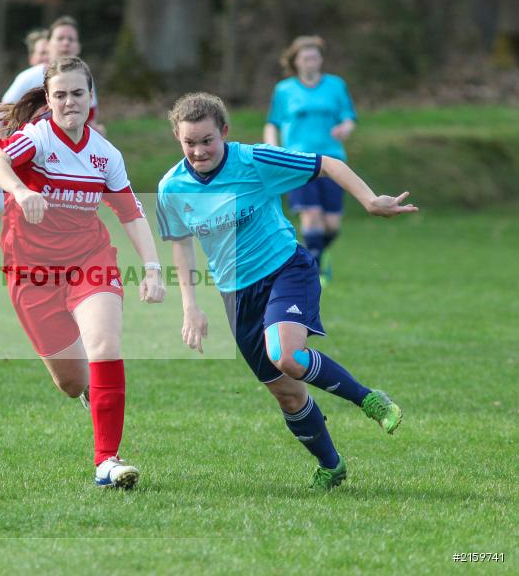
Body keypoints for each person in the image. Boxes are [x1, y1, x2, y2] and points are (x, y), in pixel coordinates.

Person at [157, 93, 416, 491]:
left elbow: (327, 164)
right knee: (289, 395)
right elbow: (180, 244)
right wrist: (190, 306)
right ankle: (331, 465)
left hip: (285, 270)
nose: (199, 151)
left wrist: (368, 200)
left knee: (287, 355)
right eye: (189, 142)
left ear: (224, 132)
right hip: (236, 295)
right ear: (178, 137)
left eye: (207, 140)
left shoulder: (253, 161)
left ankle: (369, 399)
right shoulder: (171, 187)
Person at [0, 56, 166, 489]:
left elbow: (130, 213)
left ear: (90, 96)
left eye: (78, 93)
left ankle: (107, 461)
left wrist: (153, 268)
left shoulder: (105, 155)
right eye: (60, 95)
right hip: (32, 274)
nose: (69, 102)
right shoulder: (36, 138)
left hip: (89, 260)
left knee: (105, 344)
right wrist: (21, 190)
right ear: (48, 100)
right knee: (70, 381)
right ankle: (87, 392)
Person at [264, 36, 357, 284]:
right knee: (311, 215)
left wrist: (345, 128)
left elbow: (348, 117)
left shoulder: (336, 85)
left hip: (332, 161)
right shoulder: (285, 90)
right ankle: (311, 270)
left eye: (315, 57)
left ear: (321, 60)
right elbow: (272, 123)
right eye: (305, 58)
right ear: (296, 61)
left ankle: (317, 254)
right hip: (299, 162)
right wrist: (273, 150)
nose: (311, 62)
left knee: (331, 224)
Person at [0, 16, 104, 138]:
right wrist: (1, 147)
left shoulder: (85, 78)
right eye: (60, 38)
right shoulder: (28, 77)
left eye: (71, 39)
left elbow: (90, 120)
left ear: (78, 47)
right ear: (48, 45)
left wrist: (97, 135)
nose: (66, 43)